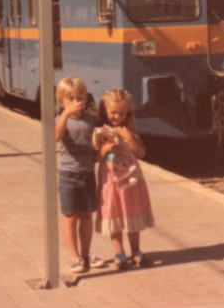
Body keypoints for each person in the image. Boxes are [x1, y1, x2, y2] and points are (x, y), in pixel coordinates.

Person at [95, 89, 155, 270]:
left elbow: (141, 153)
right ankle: (119, 253)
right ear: (104, 110)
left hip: (130, 181)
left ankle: (136, 250)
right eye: (113, 112)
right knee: (113, 213)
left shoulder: (129, 129)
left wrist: (129, 137)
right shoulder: (99, 131)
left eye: (122, 112)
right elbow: (95, 158)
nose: (117, 116)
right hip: (110, 181)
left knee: (131, 213)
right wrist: (106, 149)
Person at [55, 76, 106, 274]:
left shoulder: (91, 120)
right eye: (71, 99)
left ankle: (86, 255)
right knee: (70, 217)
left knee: (86, 216)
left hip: (87, 175)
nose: (77, 103)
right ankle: (74, 256)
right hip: (68, 175)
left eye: (81, 98)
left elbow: (96, 145)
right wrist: (66, 114)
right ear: (62, 101)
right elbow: (56, 136)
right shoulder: (60, 121)